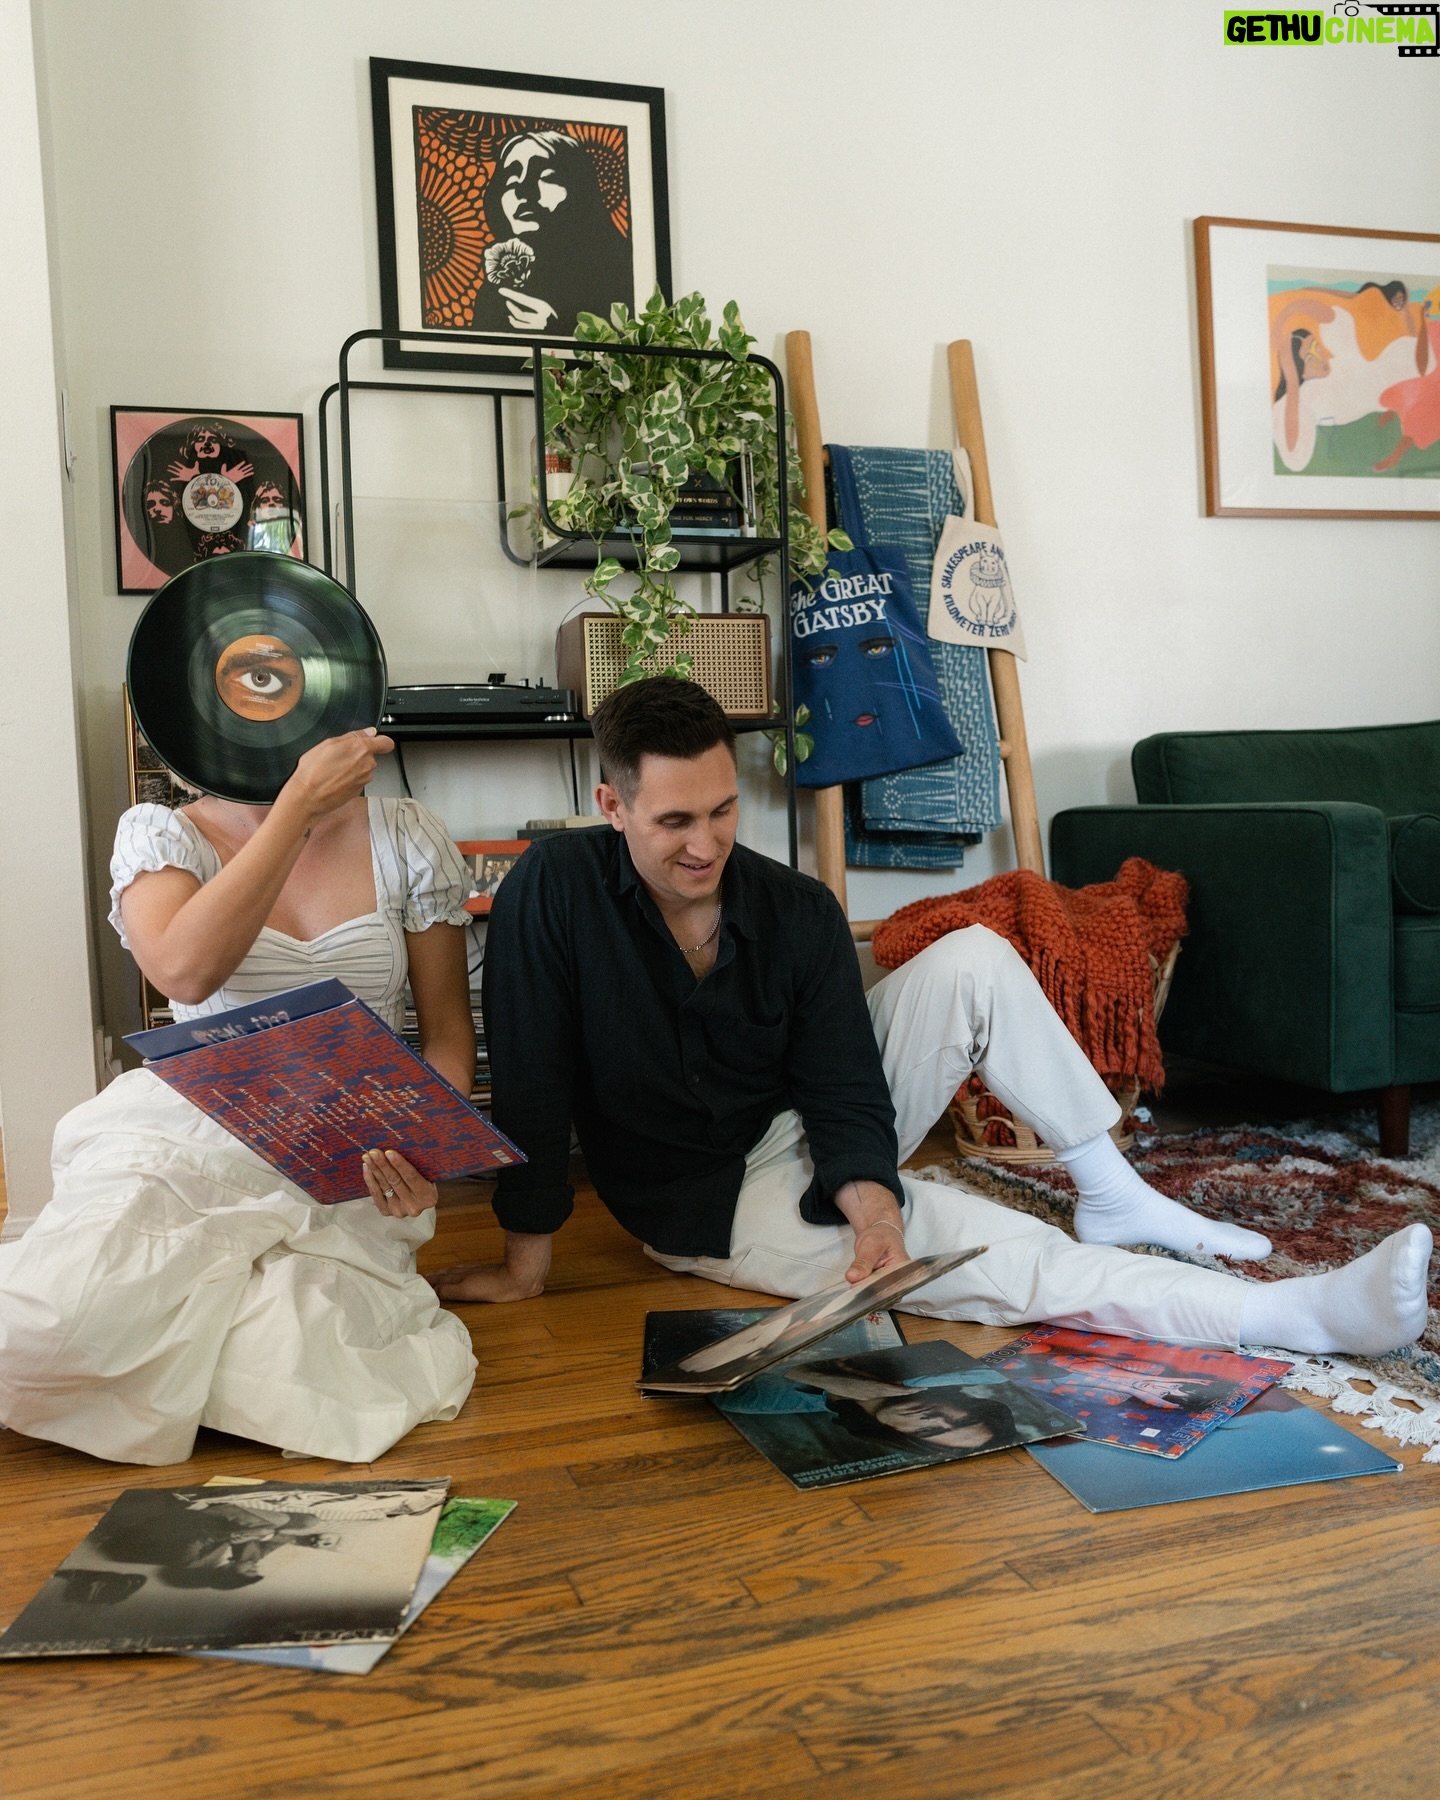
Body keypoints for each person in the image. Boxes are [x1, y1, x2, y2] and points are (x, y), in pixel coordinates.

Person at [434, 677, 1432, 1362]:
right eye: (674, 822)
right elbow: (531, 1079)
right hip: (711, 1196)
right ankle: (1287, 1316)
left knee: (976, 955)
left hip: (812, 1125)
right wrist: (525, 1265)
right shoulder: (551, 892)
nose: (707, 844)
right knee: (990, 1249)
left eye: (724, 811)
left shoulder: (795, 910)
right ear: (611, 805)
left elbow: (841, 1082)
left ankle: (1108, 1186)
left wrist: (871, 1205)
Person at [0, 727, 478, 1466]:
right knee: (49, 1326)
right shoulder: (162, 834)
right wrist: (296, 808)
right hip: (188, 1137)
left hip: (345, 1159)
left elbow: (447, 1033)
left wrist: (424, 1150)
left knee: (301, 1369)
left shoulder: (406, 834)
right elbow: (183, 973)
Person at [471, 129, 633, 337]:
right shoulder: (494, 293)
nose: (522, 189)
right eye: (511, 180)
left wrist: (559, 329)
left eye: (546, 176)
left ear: (581, 190)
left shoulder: (616, 273)